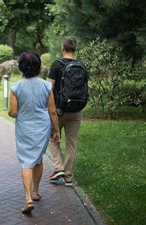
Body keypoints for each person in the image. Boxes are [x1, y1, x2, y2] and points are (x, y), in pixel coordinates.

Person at [9, 51, 60, 214]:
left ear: (21, 67)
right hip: (42, 127)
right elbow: (52, 111)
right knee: (37, 158)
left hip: (24, 126)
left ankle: (28, 197)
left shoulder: (16, 87)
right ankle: (37, 191)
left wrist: (16, 113)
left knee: (26, 161)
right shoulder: (46, 85)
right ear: (38, 66)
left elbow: (12, 112)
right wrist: (57, 130)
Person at [47, 36, 85, 187]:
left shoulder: (57, 64)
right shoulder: (81, 65)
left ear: (62, 48)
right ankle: (69, 177)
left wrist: (49, 109)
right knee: (71, 143)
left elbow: (49, 89)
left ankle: (58, 167)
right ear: (75, 49)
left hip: (59, 110)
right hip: (76, 110)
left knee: (53, 138)